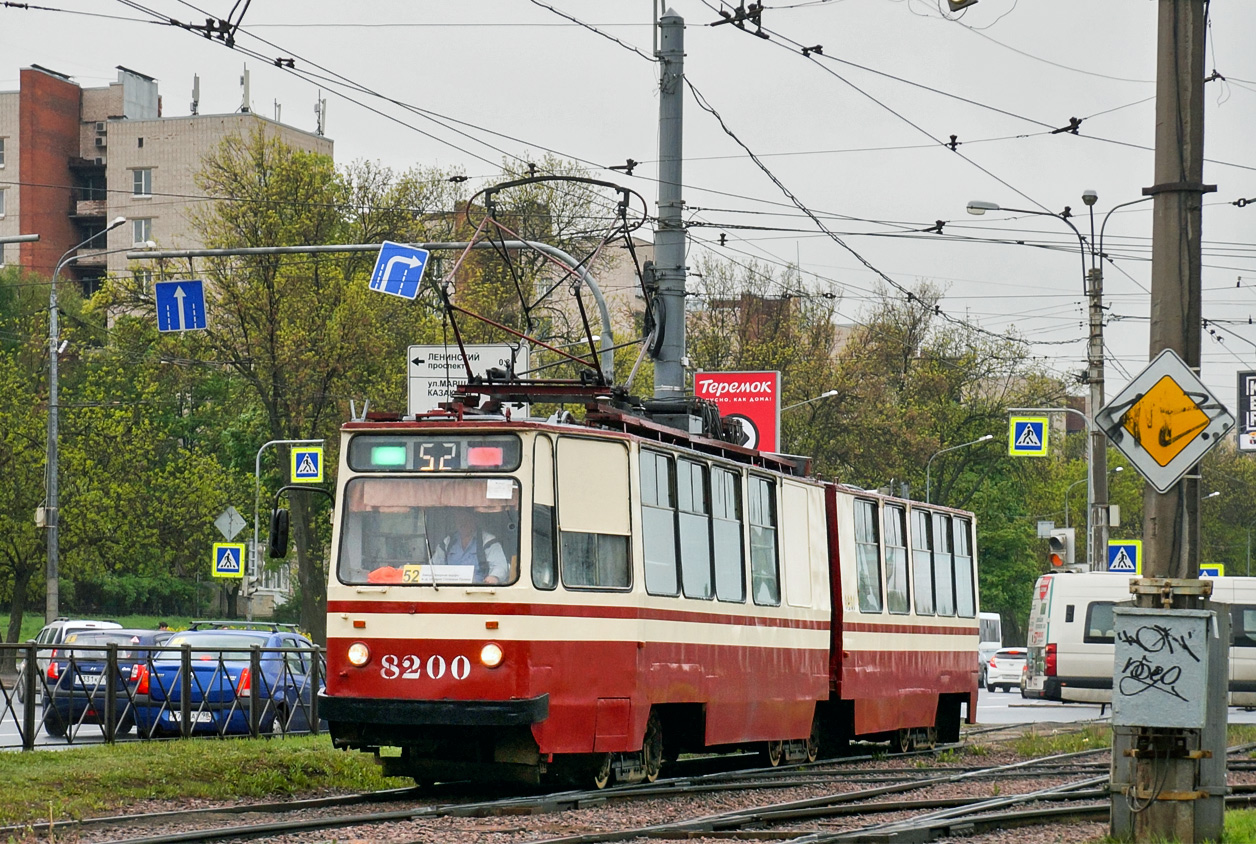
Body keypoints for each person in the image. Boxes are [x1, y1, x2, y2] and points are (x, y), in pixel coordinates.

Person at [431, 509, 509, 584]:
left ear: (475, 520)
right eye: (459, 520)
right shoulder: (447, 542)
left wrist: (494, 577)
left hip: (478, 591)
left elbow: (500, 566)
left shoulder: (488, 541)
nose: (462, 523)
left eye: (466, 519)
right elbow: (434, 566)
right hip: (449, 590)